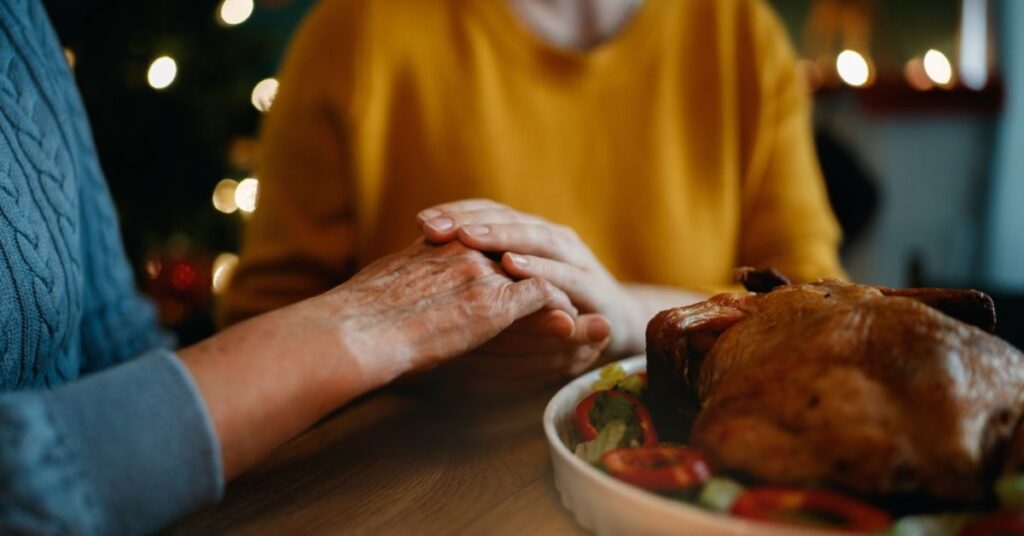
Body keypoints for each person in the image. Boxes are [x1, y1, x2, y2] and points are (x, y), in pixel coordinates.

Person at [0, 1, 579, 533]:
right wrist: (367, 325)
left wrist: (622, 311)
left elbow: (115, 341)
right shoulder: (360, 27)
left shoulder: (21, 18)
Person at [224, 0, 846, 378]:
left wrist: (630, 316)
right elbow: (264, 323)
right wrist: (423, 355)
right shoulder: (356, 31)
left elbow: (824, 311)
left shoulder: (742, 37)